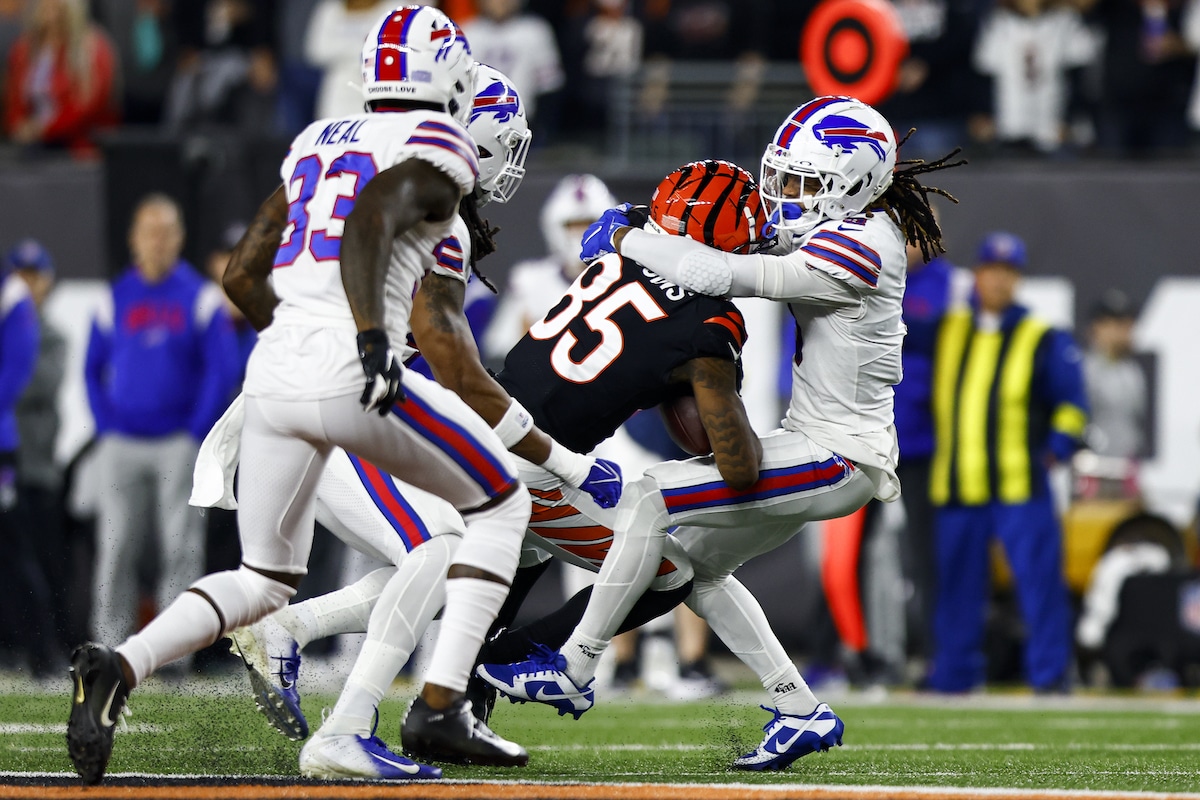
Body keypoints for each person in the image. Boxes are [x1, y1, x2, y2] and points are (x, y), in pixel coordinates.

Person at [65, 6, 615, 785]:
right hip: (350, 378)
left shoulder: (321, 139)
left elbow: (242, 276)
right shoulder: (437, 165)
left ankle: (121, 663)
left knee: (266, 579)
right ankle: (398, 717)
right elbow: (441, 342)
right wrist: (556, 457)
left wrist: (304, 339)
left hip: (273, 377)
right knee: (482, 519)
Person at [479, 95, 965, 770]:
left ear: (850, 183)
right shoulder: (841, 220)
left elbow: (725, 271)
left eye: (801, 183)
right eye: (784, 176)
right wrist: (651, 219)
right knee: (699, 571)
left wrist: (623, 236)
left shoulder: (865, 248)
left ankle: (574, 665)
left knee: (652, 496)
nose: (784, 195)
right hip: (815, 438)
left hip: (840, 454)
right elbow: (729, 231)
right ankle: (800, 710)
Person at [203, 61, 541, 779]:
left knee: (446, 555)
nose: (506, 163)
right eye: (500, 144)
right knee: (439, 544)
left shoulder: (351, 162)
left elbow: (239, 275)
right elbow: (448, 353)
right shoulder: (423, 201)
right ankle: (345, 728)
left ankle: (291, 628)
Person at [925, 231, 1087, 694]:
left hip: (1020, 482)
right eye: (991, 271)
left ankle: (1051, 675)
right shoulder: (948, 329)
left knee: (1039, 585)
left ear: (1018, 280)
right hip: (956, 483)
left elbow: (1073, 403)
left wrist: (1057, 446)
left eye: (1008, 273)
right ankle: (954, 676)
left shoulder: (1040, 336)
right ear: (977, 275)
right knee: (956, 588)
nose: (998, 280)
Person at [84, 194, 240, 650]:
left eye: (166, 231)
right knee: (115, 546)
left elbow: (222, 368)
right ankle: (108, 646)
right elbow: (90, 370)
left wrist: (195, 430)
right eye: (149, 231)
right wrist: (104, 424)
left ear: (179, 238)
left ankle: (173, 651)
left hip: (177, 439)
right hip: (122, 441)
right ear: (135, 238)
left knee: (181, 547)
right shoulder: (113, 297)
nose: (157, 241)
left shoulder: (202, 298)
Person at [10, 240, 71, 658]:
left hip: (36, 465)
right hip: (9, 462)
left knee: (43, 560)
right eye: (21, 275)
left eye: (35, 275)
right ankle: (16, 643)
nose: (28, 284)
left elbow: (33, 385)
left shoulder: (52, 336)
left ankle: (49, 645)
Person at [0, 238, 57, 677]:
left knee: (22, 551)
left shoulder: (18, 305)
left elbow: (21, 379)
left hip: (16, 451)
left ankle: (42, 647)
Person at [3, 0, 119, 157]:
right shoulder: (24, 49)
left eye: (58, 9)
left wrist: (44, 129)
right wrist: (20, 126)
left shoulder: (93, 49)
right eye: (46, 7)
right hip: (33, 145)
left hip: (81, 144)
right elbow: (14, 98)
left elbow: (87, 105)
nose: (51, 15)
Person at [1082, 289, 1147, 460]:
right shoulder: (1083, 371)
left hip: (1125, 466)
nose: (1126, 332)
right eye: (1118, 325)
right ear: (1097, 327)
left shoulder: (1132, 372)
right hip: (1093, 468)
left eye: (1129, 324)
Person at [305, 0, 394, 120]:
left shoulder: (393, 7)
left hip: (376, 87)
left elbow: (390, 47)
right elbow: (316, 51)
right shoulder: (330, 9)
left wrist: (342, 51)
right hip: (337, 90)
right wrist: (362, 49)